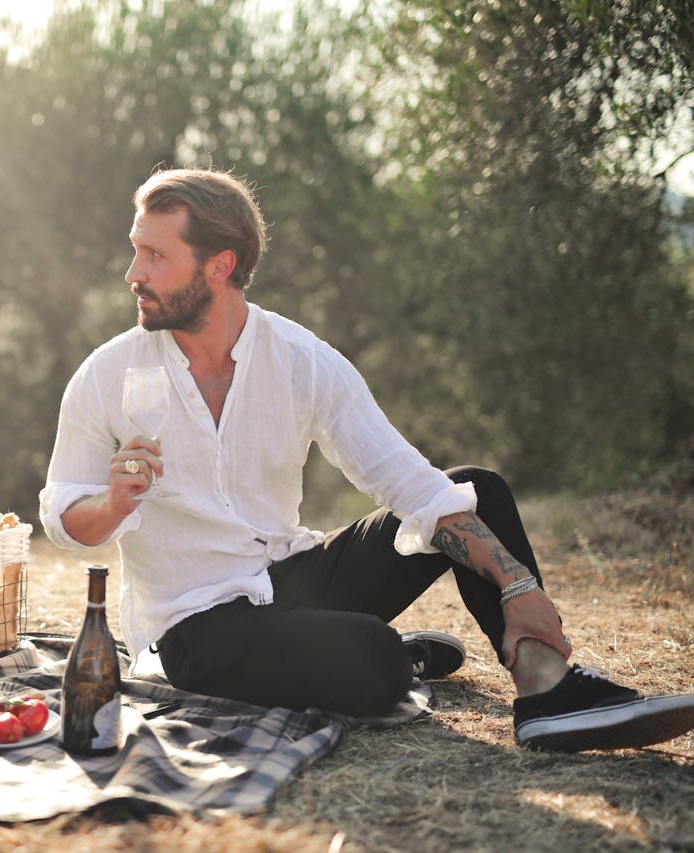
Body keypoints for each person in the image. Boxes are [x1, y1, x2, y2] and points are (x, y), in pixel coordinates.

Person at [39, 167, 694, 751]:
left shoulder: (301, 359)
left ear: (219, 265)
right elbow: (62, 515)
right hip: (193, 627)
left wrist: (517, 582)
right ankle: (376, 653)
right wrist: (115, 502)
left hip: (294, 576)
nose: (133, 273)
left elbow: (410, 483)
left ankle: (547, 691)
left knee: (477, 490)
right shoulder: (107, 374)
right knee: (376, 660)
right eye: (136, 251)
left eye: (154, 254)